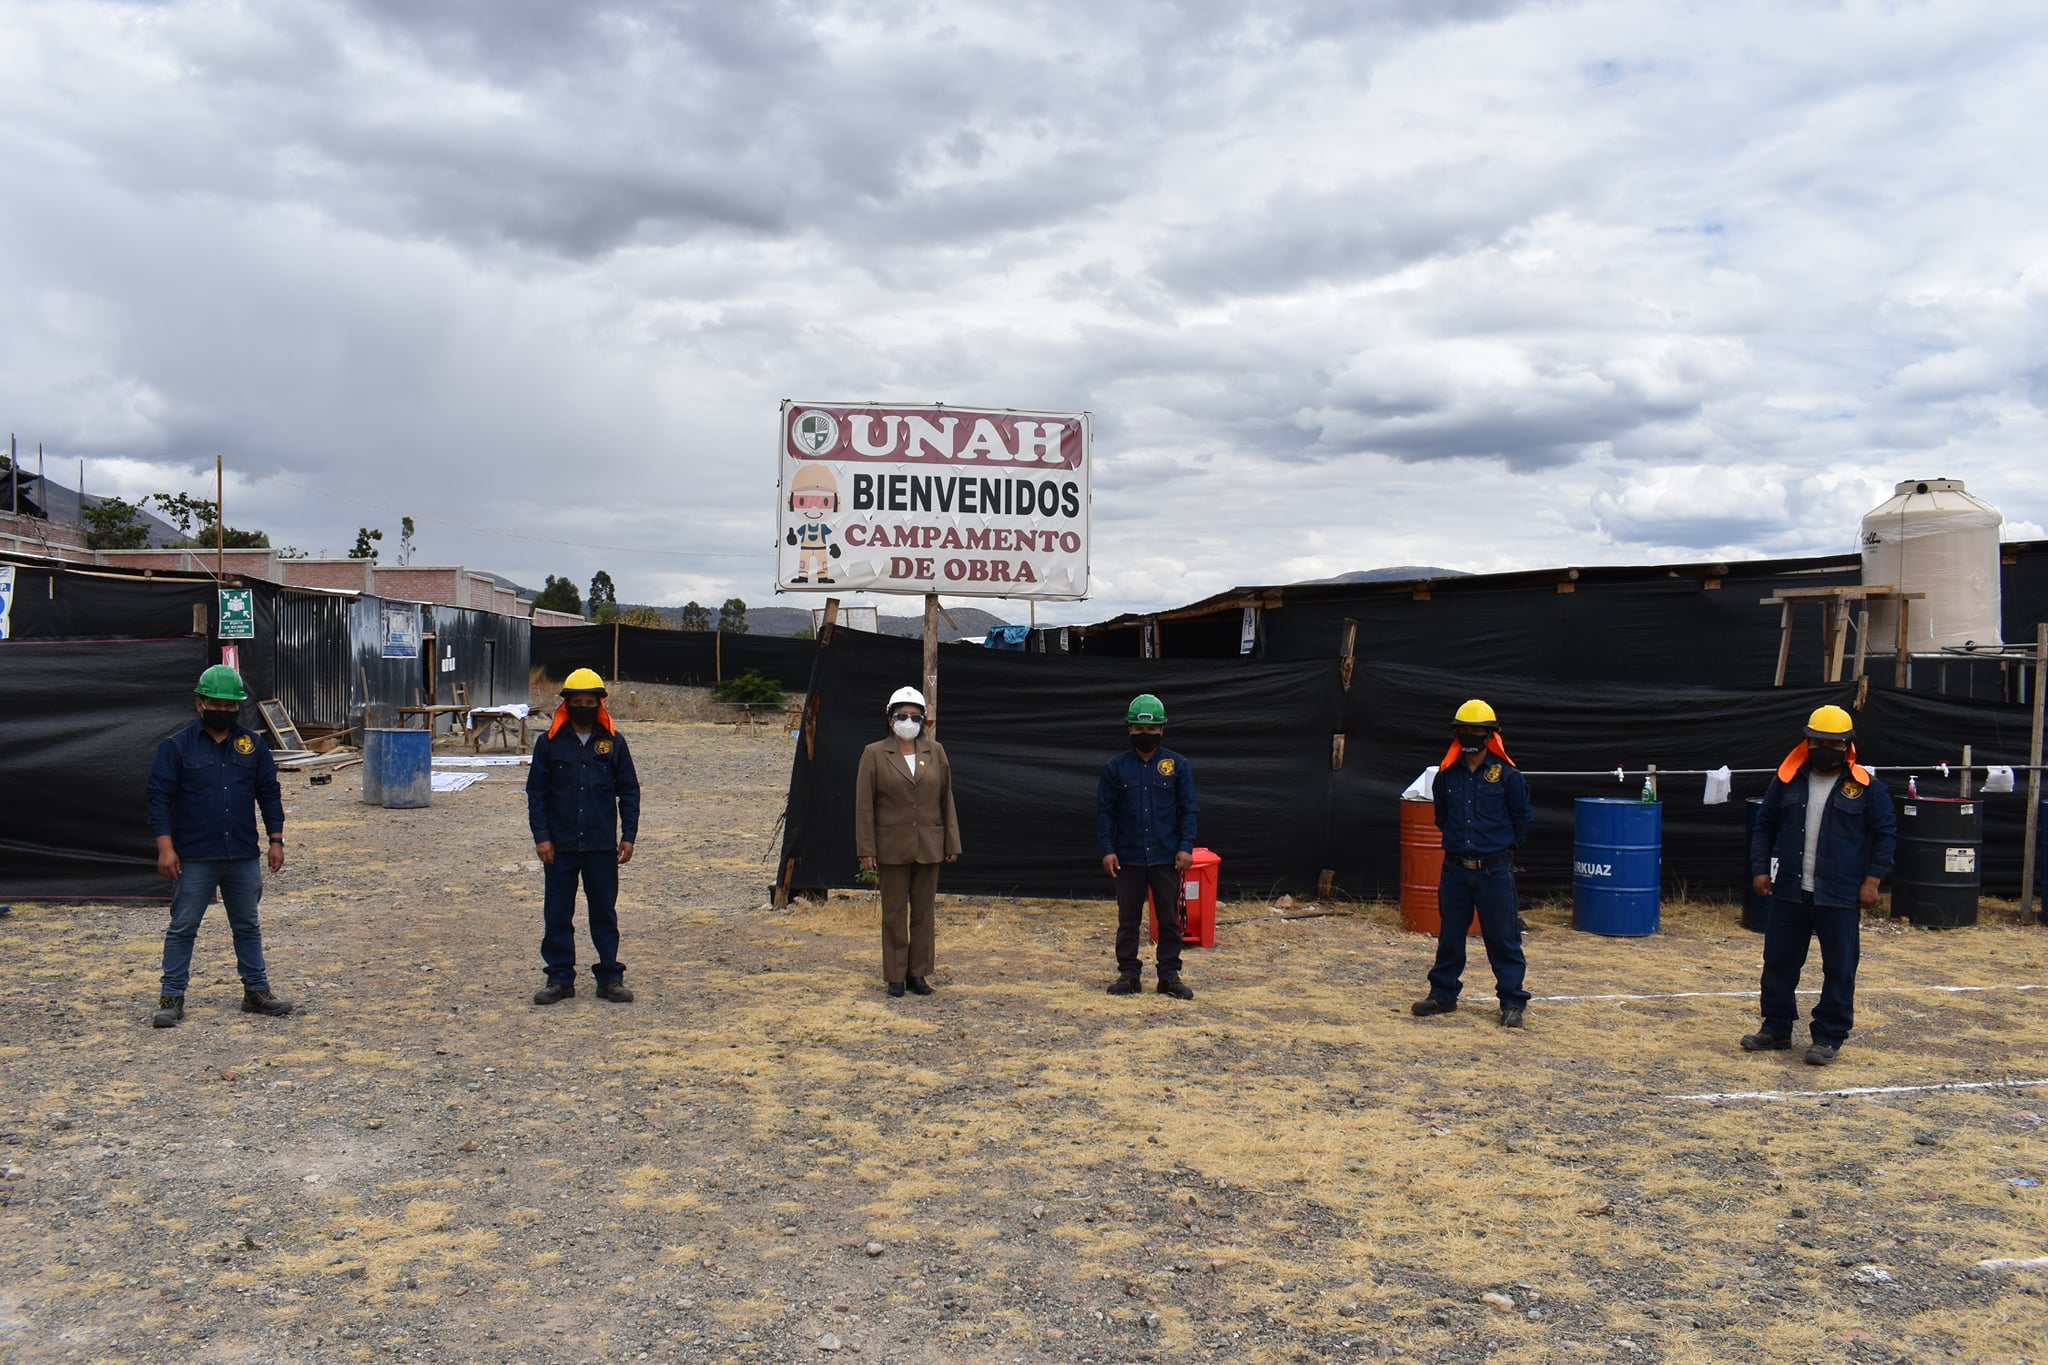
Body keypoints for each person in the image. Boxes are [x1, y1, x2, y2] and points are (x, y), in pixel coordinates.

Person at [1745, 704, 1896, 1065]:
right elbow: (1764, 825)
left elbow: (1886, 833)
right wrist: (1760, 869)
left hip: (1841, 894)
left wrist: (1873, 881)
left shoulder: (1866, 788)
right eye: (1819, 741)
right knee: (1778, 962)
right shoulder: (1785, 780)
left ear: (1847, 746)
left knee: (1840, 968)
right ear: (1808, 741)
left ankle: (1828, 1037)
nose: (1826, 748)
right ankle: (1776, 1028)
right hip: (1790, 890)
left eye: (1835, 743)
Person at [144, 664, 292, 1027]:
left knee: (247, 925)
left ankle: (255, 992)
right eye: (217, 704)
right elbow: (159, 797)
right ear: (199, 704)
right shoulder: (176, 747)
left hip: (242, 853)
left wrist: (276, 840)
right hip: (195, 855)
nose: (224, 711)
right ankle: (171, 997)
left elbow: (268, 794)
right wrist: (166, 847)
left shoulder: (252, 745)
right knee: (183, 926)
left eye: (231, 705)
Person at [1412, 699, 1533, 1027]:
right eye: (1463, 730)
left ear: (1490, 734)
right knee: (1450, 934)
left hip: (1494, 870)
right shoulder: (1446, 777)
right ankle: (1442, 995)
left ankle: (1512, 1002)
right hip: (1454, 870)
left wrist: (1501, 850)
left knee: (1503, 937)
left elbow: (1522, 818)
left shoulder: (1507, 776)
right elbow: (1442, 818)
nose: (1470, 735)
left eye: (1477, 730)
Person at [526, 668, 641, 1005]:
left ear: (599, 704)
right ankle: (559, 979)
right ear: (566, 703)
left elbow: (629, 791)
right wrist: (542, 837)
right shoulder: (549, 744)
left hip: (601, 845)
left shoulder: (614, 743)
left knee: (604, 912)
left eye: (589, 702)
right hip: (559, 847)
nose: (583, 707)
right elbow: (537, 794)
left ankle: (610, 978)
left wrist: (628, 835)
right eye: (577, 702)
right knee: (557, 913)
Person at [854, 686, 962, 997]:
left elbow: (946, 798)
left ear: (924, 722)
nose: (908, 721)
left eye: (914, 716)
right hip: (891, 847)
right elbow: (864, 805)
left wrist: (952, 841)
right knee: (893, 912)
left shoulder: (936, 752)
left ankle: (919, 974)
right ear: (890, 720)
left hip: (929, 844)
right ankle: (895, 975)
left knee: (924, 912)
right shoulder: (873, 753)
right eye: (902, 715)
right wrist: (866, 849)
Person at [1097, 693, 1198, 1000]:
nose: (1145, 735)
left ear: (1162, 729)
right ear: (1129, 730)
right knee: (1128, 919)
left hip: (1167, 857)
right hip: (1128, 857)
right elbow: (1106, 813)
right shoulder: (1115, 769)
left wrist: (1185, 847)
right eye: (1139, 730)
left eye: (1151, 729)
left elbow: (1188, 809)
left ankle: (1169, 976)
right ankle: (1129, 975)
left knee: (1169, 919)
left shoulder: (1178, 766)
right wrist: (1107, 849)